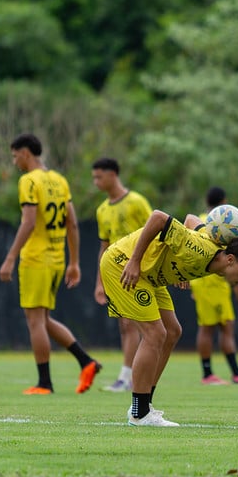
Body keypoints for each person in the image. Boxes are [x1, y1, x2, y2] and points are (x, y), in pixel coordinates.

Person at [100, 209, 238, 426]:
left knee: (172, 331)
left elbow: (191, 219)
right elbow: (158, 217)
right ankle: (139, 413)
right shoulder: (200, 249)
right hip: (123, 264)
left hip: (150, 276)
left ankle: (144, 405)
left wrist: (182, 261)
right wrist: (135, 261)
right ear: (231, 259)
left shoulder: (209, 247)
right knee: (155, 334)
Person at [0, 132, 101, 395]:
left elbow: (29, 222)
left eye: (15, 156)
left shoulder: (29, 181)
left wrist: (10, 257)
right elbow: (72, 223)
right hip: (57, 259)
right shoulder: (59, 180)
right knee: (43, 319)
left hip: (35, 258)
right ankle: (86, 361)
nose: (14, 162)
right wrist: (74, 262)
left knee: (34, 321)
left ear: (25, 153)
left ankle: (44, 383)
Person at [91, 157, 153, 392]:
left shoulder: (136, 202)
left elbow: (156, 231)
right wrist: (99, 283)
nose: (96, 182)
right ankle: (130, 377)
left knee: (136, 325)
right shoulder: (102, 210)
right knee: (126, 325)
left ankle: (129, 378)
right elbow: (104, 247)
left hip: (140, 271)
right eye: (94, 178)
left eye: (99, 177)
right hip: (117, 273)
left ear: (113, 174)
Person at [189, 187, 238, 385]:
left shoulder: (201, 220)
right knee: (213, 327)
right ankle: (210, 374)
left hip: (202, 281)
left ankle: (231, 372)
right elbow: (227, 260)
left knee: (219, 326)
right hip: (213, 282)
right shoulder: (227, 223)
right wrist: (237, 285)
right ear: (225, 202)